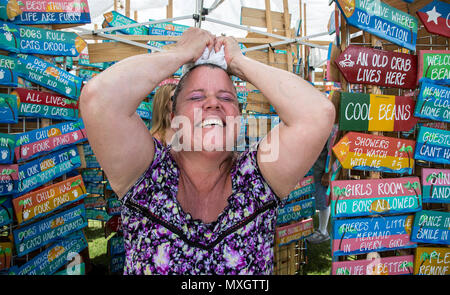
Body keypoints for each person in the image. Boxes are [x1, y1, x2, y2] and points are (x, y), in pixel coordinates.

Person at [79, 28, 335, 275]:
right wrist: (180, 53)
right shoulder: (148, 175)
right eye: (195, 97)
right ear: (173, 116)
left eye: (226, 98)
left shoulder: (257, 180)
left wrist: (239, 62)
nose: (212, 103)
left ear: (239, 117)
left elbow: (317, 114)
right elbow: (99, 98)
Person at [306, 145, 331, 244]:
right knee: (309, 199)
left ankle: (323, 231)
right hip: (312, 171)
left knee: (322, 202)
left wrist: (328, 173)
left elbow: (332, 152)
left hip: (320, 173)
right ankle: (309, 228)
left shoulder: (329, 131)